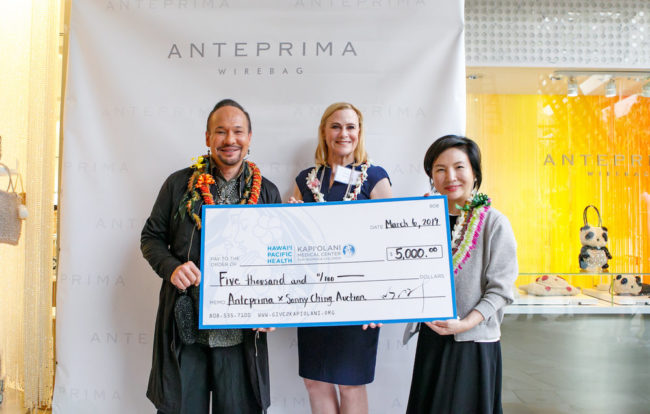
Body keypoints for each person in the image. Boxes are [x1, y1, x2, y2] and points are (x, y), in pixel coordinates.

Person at [140, 99, 281, 414]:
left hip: (240, 337)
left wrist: (273, 307)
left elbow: (277, 260)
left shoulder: (266, 193)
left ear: (249, 137)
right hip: (186, 331)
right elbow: (151, 237)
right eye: (220, 131)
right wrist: (172, 268)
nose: (230, 139)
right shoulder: (178, 184)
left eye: (238, 131)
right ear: (207, 137)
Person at [289, 102, 392, 414]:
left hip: (358, 296)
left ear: (359, 132)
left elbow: (390, 240)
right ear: (324, 132)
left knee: (350, 382)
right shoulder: (306, 179)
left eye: (350, 127)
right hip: (314, 297)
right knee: (314, 380)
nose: (343, 133)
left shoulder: (374, 177)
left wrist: (380, 298)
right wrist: (291, 220)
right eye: (335, 126)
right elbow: (290, 240)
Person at [406, 135, 518, 414]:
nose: (450, 177)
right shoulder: (421, 221)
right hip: (432, 339)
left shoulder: (494, 223)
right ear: (431, 176)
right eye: (440, 169)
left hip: (473, 343)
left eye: (459, 167)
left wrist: (465, 323)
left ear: (475, 173)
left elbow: (501, 290)